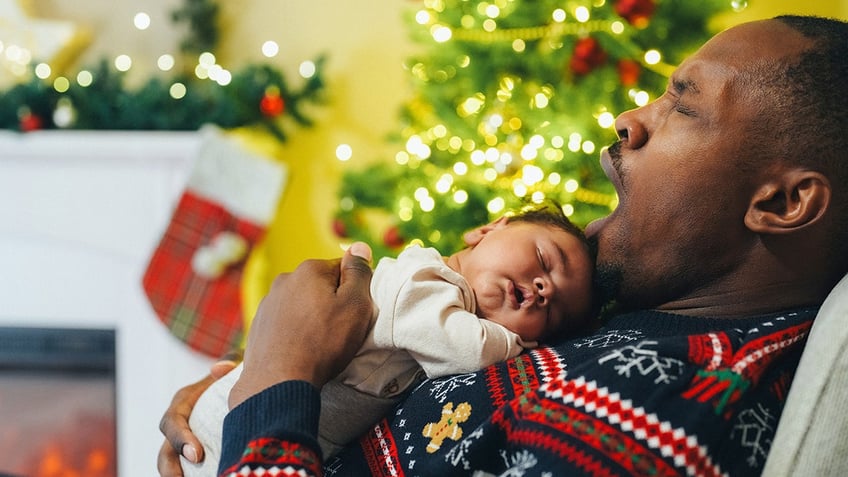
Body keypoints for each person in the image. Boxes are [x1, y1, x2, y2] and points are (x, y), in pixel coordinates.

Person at [158, 15, 848, 477]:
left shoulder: (677, 406)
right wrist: (246, 389)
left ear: (783, 204)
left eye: (683, 105)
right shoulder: (638, 316)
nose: (630, 119)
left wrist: (279, 382)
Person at [180, 203, 596, 475]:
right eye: (545, 260)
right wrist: (521, 345)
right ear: (487, 230)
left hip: (293, 432)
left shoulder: (457, 301)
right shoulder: (425, 280)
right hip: (230, 424)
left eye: (555, 312)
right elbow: (462, 346)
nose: (544, 289)